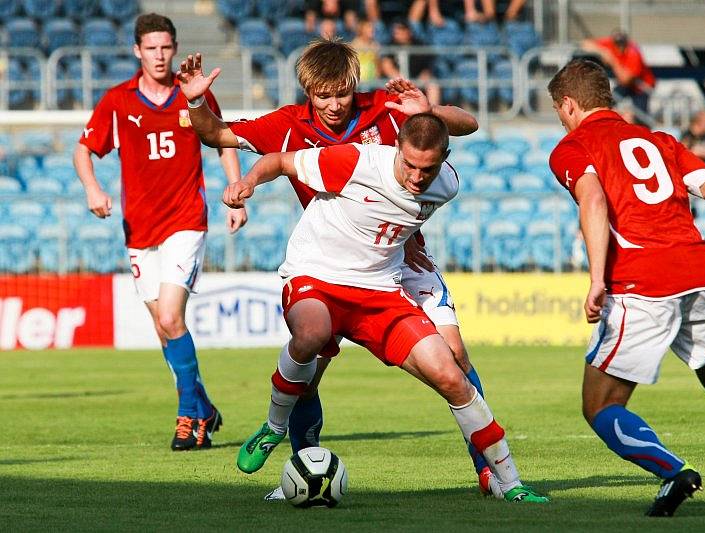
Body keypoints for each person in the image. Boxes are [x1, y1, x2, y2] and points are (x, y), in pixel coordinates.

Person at [176, 38, 495, 497]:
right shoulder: (287, 124)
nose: (333, 104)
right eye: (323, 95)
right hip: (332, 263)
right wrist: (195, 100)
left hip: (402, 256)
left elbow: (468, 125)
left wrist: (429, 112)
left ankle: (487, 470)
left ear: (354, 85)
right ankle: (303, 466)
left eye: (342, 93)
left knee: (456, 358)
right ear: (308, 91)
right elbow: (216, 135)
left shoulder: (384, 107)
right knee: (311, 364)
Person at [223, 113, 548, 504]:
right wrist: (246, 183)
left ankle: (510, 483)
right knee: (311, 335)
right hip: (318, 275)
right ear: (396, 148)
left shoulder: (447, 185)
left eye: (426, 168)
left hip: (380, 292)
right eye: (408, 164)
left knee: (451, 375)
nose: (416, 177)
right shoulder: (356, 161)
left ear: (444, 158)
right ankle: (274, 427)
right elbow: (278, 161)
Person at [548, 59, 705, 516]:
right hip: (700, 271)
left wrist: (597, 278)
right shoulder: (660, 141)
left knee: (600, 406)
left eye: (558, 110)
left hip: (642, 282)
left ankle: (673, 471)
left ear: (568, 104)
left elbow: (594, 200)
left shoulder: (573, 146)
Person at [73, 13, 247, 451]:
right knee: (163, 326)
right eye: (151, 48)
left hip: (186, 220)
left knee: (171, 317)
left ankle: (188, 414)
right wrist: (93, 188)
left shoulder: (192, 95)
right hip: (139, 229)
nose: (159, 55)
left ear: (174, 48)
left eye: (166, 47)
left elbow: (224, 138)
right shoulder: (118, 100)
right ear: (137, 51)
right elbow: (83, 149)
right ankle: (203, 406)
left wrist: (236, 191)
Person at [581, 30, 655, 115]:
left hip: (641, 86)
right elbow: (585, 44)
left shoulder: (633, 53)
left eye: (622, 43)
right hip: (626, 85)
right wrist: (603, 52)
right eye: (617, 43)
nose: (619, 47)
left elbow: (626, 80)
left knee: (640, 116)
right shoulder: (610, 44)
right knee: (607, 103)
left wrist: (612, 60)